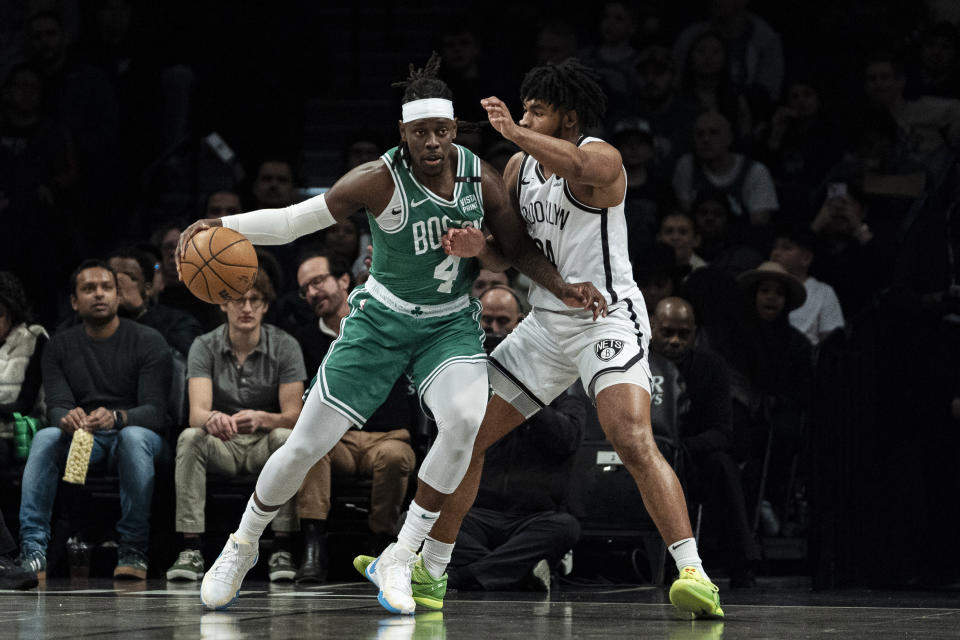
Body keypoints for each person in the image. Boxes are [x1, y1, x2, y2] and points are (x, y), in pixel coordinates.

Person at [175, 54, 604, 613]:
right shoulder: (378, 179)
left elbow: (516, 250)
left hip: (448, 324)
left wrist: (563, 284)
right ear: (402, 132)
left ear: (454, 130)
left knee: (466, 422)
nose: (432, 143)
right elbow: (290, 222)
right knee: (306, 444)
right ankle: (242, 543)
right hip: (380, 321)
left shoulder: (479, 175)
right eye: (420, 132)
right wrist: (222, 225)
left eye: (442, 132)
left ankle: (401, 556)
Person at [406, 58, 724, 619]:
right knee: (466, 434)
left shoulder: (601, 157)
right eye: (523, 108)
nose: (524, 117)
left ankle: (694, 572)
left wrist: (511, 130)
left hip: (607, 317)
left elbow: (578, 162)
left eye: (537, 111)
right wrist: (475, 245)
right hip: (546, 321)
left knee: (629, 436)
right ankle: (430, 569)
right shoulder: (517, 172)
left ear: (568, 118)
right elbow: (510, 252)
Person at [19, 260, 171, 579]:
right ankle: (34, 550)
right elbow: (57, 407)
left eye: (106, 287)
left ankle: (133, 549)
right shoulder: (60, 345)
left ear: (117, 296)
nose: (98, 294)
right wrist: (67, 418)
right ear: (75, 301)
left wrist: (117, 417)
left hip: (138, 438)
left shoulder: (148, 340)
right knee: (47, 436)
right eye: (88, 289)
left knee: (133, 438)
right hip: (86, 440)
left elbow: (157, 413)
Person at [166, 271, 311, 584]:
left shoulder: (285, 346)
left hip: (265, 444)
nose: (246, 308)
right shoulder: (204, 346)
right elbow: (197, 414)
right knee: (190, 437)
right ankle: (190, 548)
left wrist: (263, 418)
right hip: (225, 443)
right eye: (237, 300)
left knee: (287, 438)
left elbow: (295, 416)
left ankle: (282, 548)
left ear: (265, 306)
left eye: (254, 300)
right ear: (223, 304)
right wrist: (212, 419)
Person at [440, 286, 582, 593]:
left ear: (520, 324)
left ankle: (466, 575)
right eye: (486, 321)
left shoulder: (559, 377)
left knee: (565, 528)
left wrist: (521, 392)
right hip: (475, 513)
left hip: (532, 518)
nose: (494, 329)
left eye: (502, 321)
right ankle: (516, 572)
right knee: (415, 518)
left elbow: (567, 440)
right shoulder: (468, 376)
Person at [290, 248, 417, 579]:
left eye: (318, 281)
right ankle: (312, 545)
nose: (312, 292)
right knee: (309, 449)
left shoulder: (382, 323)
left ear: (344, 280)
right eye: (305, 288)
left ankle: (381, 546)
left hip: (386, 436)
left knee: (394, 457)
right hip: (337, 438)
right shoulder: (303, 340)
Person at [650, 297, 760, 588]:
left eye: (683, 334)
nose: (675, 341)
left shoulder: (711, 367)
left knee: (723, 465)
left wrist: (683, 449)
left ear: (695, 333)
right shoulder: (636, 362)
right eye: (667, 332)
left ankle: (742, 564)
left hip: (689, 459)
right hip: (641, 457)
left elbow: (723, 432)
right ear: (651, 327)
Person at [672, 110, 778, 227]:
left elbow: (759, 223)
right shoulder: (687, 165)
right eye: (700, 134)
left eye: (714, 133)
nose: (706, 139)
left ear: (729, 138)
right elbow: (686, 213)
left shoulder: (755, 172)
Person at [107, 247, 202, 357]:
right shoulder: (91, 319)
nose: (119, 285)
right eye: (112, 277)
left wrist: (141, 312)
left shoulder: (177, 322)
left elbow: (188, 360)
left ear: (148, 288)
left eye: (130, 278)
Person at [768, 228, 844, 347]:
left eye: (786, 248)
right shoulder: (761, 288)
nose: (776, 253)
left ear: (806, 258)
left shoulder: (823, 292)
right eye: (774, 247)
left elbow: (832, 341)